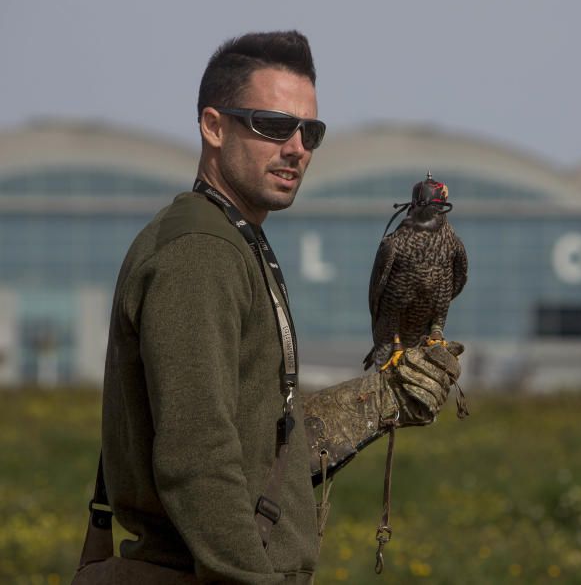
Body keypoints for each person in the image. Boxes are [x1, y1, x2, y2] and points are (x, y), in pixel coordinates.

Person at [75, 30, 463, 584]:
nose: (296, 147)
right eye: (274, 126)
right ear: (213, 126)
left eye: (311, 132)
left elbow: (255, 447)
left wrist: (378, 400)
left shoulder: (233, 239)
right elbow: (198, 459)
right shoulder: (200, 253)